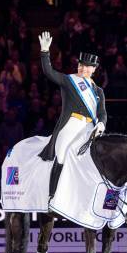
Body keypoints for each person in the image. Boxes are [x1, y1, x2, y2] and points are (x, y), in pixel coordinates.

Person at [37, 31, 107, 197]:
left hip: (90, 127)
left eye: (87, 66)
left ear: (94, 69)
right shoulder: (69, 81)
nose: (82, 68)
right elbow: (49, 72)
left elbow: (102, 112)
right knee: (60, 154)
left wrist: (101, 124)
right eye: (80, 65)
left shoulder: (99, 91)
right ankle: (51, 195)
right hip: (71, 125)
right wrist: (45, 52)